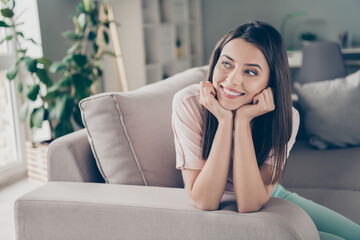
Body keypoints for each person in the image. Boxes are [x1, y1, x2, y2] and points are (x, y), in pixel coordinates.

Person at [171, 21, 360, 240]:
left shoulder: (285, 116)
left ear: (269, 81)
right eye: (226, 64)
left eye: (250, 71)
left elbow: (252, 199)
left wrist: (242, 121)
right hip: (226, 205)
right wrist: (224, 121)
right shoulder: (188, 103)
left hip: (268, 197)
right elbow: (206, 201)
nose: (232, 80)